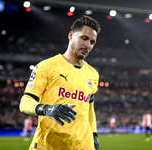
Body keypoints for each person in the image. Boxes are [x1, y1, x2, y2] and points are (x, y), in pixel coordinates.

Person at [19, 15, 101, 150]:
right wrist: (46, 109)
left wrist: (94, 137)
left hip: (83, 146)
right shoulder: (47, 66)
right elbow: (25, 102)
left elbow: (90, 110)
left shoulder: (93, 74)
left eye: (92, 42)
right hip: (49, 145)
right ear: (70, 35)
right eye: (84, 38)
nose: (87, 45)